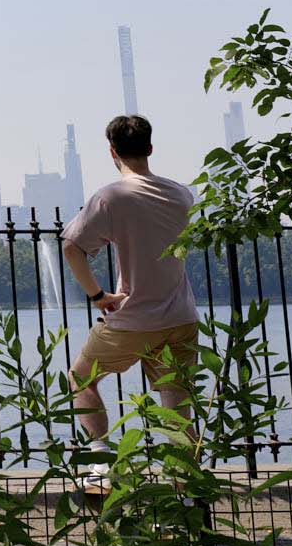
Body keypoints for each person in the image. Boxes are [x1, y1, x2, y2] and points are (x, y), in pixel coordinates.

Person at [61, 113, 200, 492]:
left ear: (112, 152)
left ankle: (102, 464)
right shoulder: (181, 194)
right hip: (181, 316)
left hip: (133, 317)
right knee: (176, 401)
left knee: (80, 378)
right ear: (150, 149)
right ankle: (183, 488)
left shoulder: (112, 197)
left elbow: (71, 246)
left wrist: (98, 295)